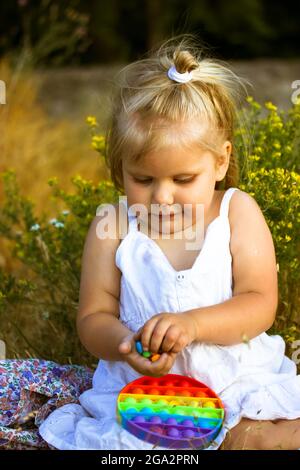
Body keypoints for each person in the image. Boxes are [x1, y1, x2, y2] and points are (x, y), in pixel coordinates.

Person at [38, 35, 300, 450]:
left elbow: (259, 302)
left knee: (276, 438)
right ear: (120, 168)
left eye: (182, 180)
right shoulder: (114, 225)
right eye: (142, 179)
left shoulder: (235, 212)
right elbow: (93, 318)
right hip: (145, 399)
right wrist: (125, 346)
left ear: (220, 161)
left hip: (236, 383)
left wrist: (193, 325)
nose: (161, 196)